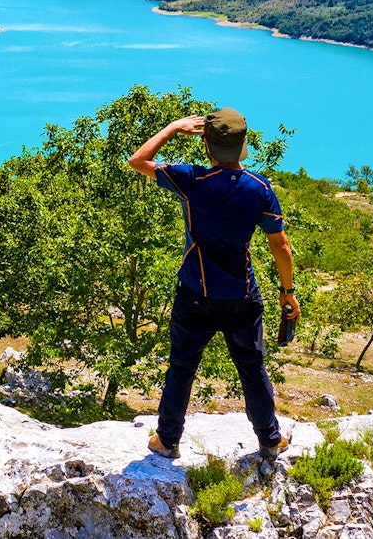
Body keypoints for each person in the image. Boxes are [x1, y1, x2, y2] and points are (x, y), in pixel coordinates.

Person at [128, 108, 301, 460]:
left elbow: (138, 160)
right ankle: (269, 440)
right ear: (243, 146)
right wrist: (288, 293)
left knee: (182, 366)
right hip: (241, 295)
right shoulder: (260, 188)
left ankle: (167, 440)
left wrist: (174, 127)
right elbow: (280, 245)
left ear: (206, 144)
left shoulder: (190, 180)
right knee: (252, 367)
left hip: (194, 293)